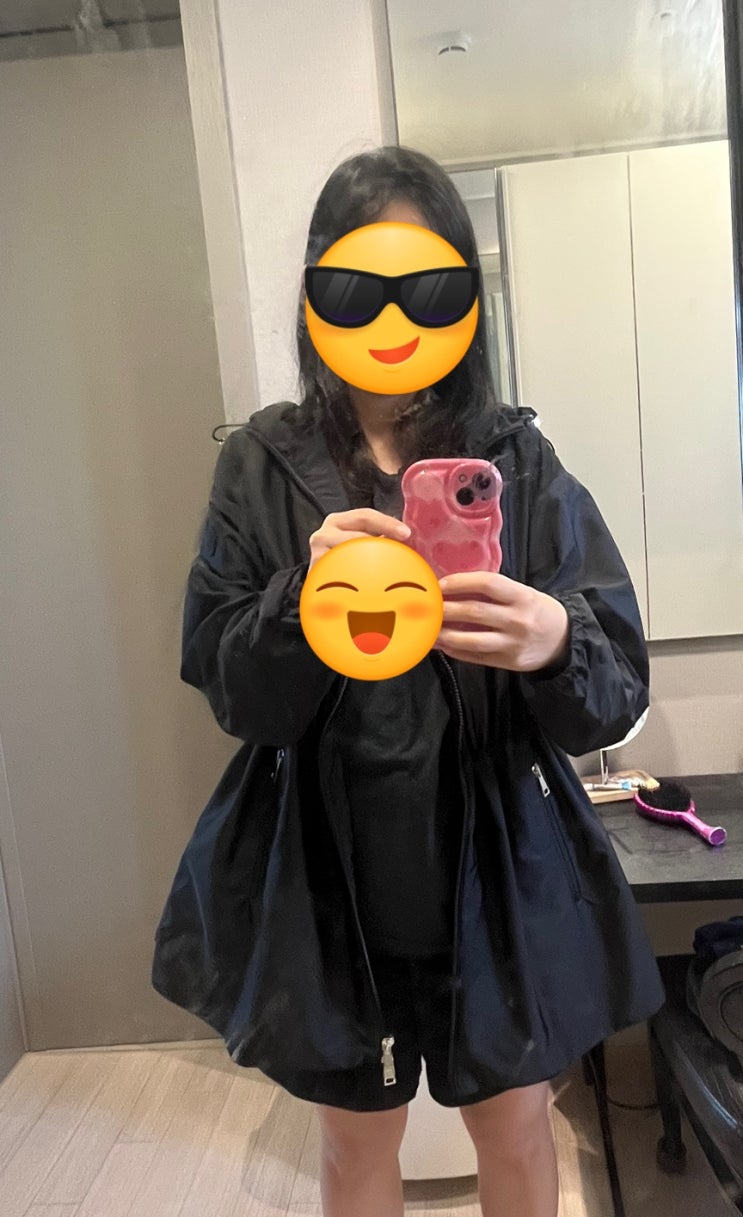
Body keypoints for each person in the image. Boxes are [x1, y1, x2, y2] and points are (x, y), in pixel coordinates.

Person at [151, 145, 667, 1217]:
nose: (391, 317)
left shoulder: (513, 463)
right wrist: (301, 598)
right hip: (328, 865)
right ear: (318, 297)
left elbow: (614, 684)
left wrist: (552, 638)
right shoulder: (260, 464)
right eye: (359, 288)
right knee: (354, 1149)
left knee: (515, 1131)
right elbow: (226, 682)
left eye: (424, 289)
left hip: (497, 861)